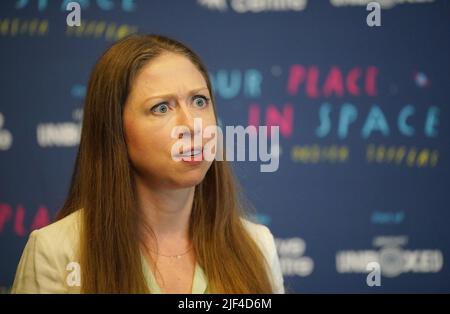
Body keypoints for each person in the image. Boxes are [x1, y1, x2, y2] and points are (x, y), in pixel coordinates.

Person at [11, 34, 285, 294]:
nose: (192, 125)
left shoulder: (257, 246)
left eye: (199, 101)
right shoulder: (56, 251)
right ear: (115, 129)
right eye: (161, 108)